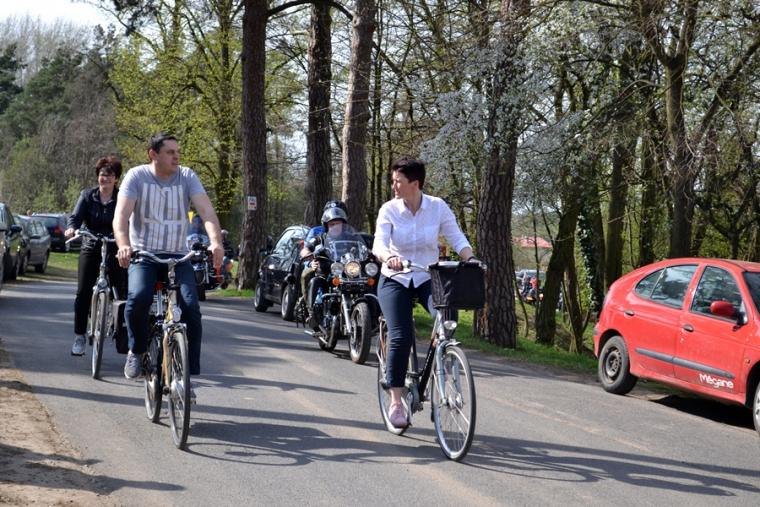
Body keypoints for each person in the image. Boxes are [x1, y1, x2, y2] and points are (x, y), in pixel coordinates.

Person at [114, 133, 223, 397]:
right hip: (144, 255)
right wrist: (124, 245)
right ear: (153, 154)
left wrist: (215, 242)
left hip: (178, 256)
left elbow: (207, 212)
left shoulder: (187, 176)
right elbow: (121, 216)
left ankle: (186, 374)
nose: (177, 156)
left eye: (178, 152)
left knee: (191, 307)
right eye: (170, 152)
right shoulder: (136, 177)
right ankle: (136, 350)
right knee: (138, 298)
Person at [373, 156, 476, 428]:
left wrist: (470, 258)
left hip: (427, 276)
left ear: (415, 183)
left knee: (447, 322)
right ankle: (396, 402)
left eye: (398, 181)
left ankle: (442, 385)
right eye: (393, 181)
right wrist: (389, 257)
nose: (394, 186)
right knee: (401, 335)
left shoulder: (437, 207)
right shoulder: (389, 210)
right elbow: (379, 244)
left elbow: (456, 236)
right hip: (395, 278)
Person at [65, 156, 128, 356]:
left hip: (116, 248)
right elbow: (75, 217)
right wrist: (72, 228)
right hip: (91, 246)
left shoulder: (123, 198)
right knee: (83, 292)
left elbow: (130, 220)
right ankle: (79, 336)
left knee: (122, 292)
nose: (105, 179)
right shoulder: (87, 196)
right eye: (102, 175)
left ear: (116, 179)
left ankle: (122, 335)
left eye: (109, 175)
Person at [300, 206, 350, 329]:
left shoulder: (349, 238)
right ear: (326, 225)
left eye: (338, 223)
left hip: (347, 273)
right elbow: (305, 249)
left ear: (343, 224)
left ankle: (372, 316)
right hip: (327, 274)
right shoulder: (320, 238)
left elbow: (364, 245)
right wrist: (309, 256)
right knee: (314, 280)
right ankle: (311, 312)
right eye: (332, 224)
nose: (335, 226)